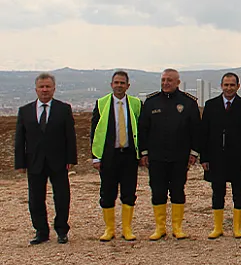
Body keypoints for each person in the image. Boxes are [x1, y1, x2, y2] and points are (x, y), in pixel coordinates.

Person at [15, 72, 77, 245]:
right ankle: (41, 232)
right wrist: (20, 162)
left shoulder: (64, 109)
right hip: (34, 162)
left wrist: (71, 158)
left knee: (62, 197)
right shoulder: (25, 111)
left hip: (59, 162)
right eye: (41, 87)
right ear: (36, 89)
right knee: (35, 198)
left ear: (54, 89)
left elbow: (70, 136)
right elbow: (20, 139)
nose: (44, 90)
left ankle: (62, 231)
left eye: (48, 87)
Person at [138, 68, 201, 240]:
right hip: (156, 157)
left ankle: (177, 227)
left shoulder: (188, 103)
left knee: (177, 190)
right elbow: (143, 129)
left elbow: (196, 130)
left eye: (170, 80)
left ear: (177, 82)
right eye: (164, 80)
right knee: (157, 191)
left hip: (179, 157)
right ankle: (160, 228)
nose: (166, 83)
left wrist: (194, 153)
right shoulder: (151, 102)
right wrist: (143, 153)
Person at [90, 71, 143, 242]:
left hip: (129, 155)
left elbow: (141, 130)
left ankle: (127, 229)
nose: (119, 85)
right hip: (108, 156)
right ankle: (109, 229)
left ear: (128, 86)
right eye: (116, 82)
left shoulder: (136, 104)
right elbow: (94, 132)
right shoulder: (101, 104)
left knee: (129, 192)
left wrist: (142, 153)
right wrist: (95, 157)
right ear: (111, 84)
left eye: (122, 83)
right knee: (107, 192)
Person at [201, 73, 241, 239]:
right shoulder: (210, 105)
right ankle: (218, 227)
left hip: (238, 158)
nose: (229, 88)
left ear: (238, 86)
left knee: (239, 192)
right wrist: (204, 158)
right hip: (216, 157)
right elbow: (204, 133)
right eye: (226, 85)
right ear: (221, 86)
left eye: (232, 85)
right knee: (217, 192)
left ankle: (237, 228)